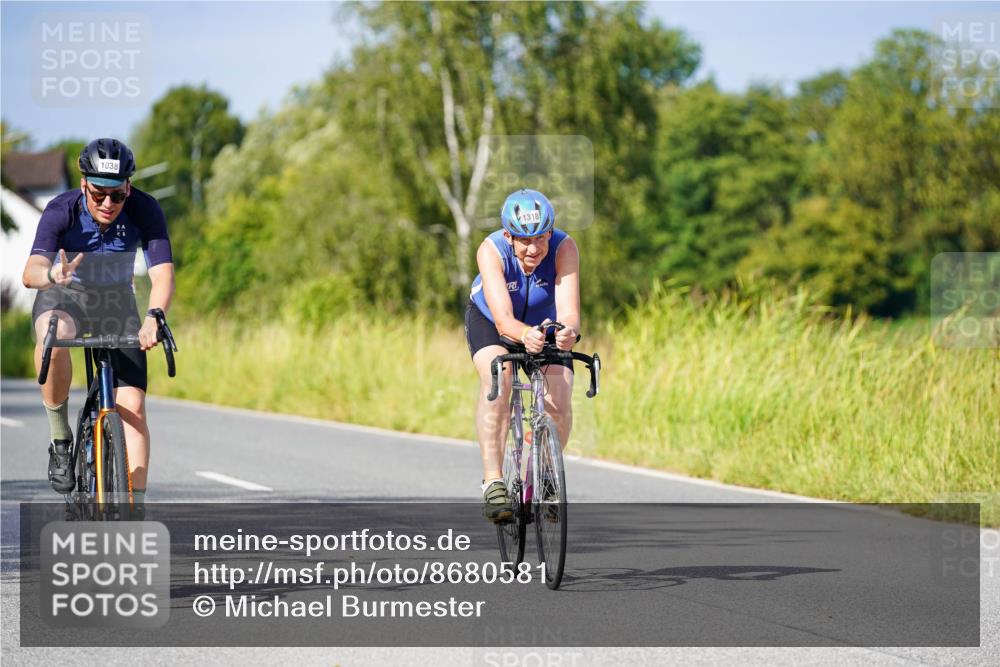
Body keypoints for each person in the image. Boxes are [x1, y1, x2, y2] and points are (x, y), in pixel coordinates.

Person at [21, 138, 175, 515]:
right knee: (53, 336)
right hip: (65, 296)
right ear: (84, 183)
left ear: (129, 187)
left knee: (133, 406)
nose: (108, 204)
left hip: (116, 302)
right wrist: (53, 273)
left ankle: (134, 511)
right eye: (99, 194)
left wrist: (154, 316)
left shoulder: (144, 209)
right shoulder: (62, 210)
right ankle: (60, 439)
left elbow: (162, 275)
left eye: (117, 195)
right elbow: (30, 272)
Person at [465, 189, 581, 522]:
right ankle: (493, 482)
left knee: (559, 391)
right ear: (508, 236)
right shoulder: (491, 251)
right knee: (498, 379)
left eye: (541, 238)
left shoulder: (564, 248)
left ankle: (545, 475)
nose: (534, 248)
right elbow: (502, 320)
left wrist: (567, 331)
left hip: (544, 325)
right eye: (524, 240)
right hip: (491, 322)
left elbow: (570, 311)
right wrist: (523, 334)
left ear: (551, 231)